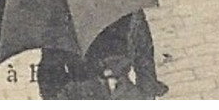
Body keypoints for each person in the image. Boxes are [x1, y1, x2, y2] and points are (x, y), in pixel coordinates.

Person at [38, 11, 166, 100]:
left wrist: (146, 93)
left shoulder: (126, 7)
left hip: (121, 91)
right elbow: (49, 72)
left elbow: (143, 52)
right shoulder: (61, 16)